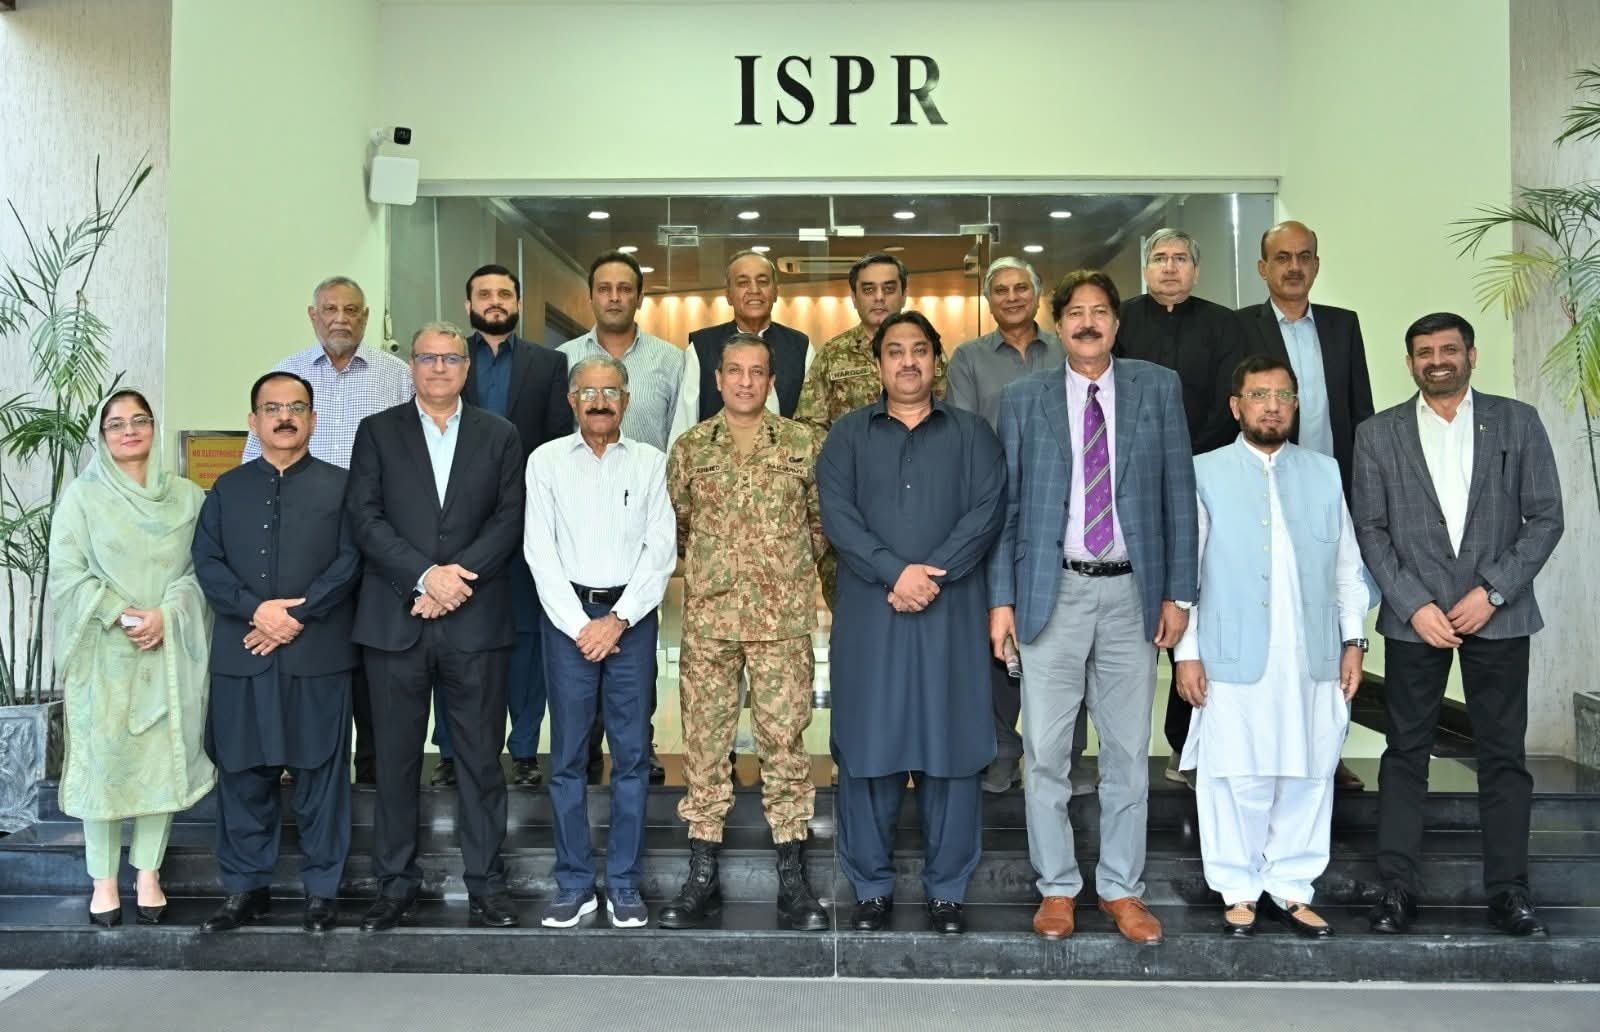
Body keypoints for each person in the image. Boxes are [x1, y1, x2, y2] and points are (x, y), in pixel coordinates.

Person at [988, 270, 1197, 944]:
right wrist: (1001, 601)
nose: (1087, 322)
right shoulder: (1024, 399)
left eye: (1099, 311)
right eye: (1075, 312)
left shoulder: (1157, 388)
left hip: (1132, 594)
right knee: (1046, 752)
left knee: (1128, 753)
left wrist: (1179, 593)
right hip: (1052, 591)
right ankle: (1056, 887)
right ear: (1059, 325)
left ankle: (1121, 888)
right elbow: (1007, 508)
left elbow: (1178, 494)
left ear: (1116, 321)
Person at [1354, 312, 1563, 937]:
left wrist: (1493, 592)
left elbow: (1545, 517)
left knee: (1502, 756)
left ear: (1472, 355)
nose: (1437, 361)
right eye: (1424, 352)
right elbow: (1370, 529)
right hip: (1414, 619)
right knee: (1404, 753)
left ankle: (1510, 893)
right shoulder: (1377, 433)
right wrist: (1413, 603)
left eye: (1448, 349)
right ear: (1410, 362)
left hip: (1498, 615)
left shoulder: (1518, 421)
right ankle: (1396, 890)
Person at [818, 310, 1006, 936]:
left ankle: (947, 890)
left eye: (919, 350)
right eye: (895, 350)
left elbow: (986, 513)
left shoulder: (973, 433)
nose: (907, 361)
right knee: (868, 745)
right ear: (877, 364)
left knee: (951, 746)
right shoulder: (846, 435)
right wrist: (896, 573)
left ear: (936, 361)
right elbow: (839, 518)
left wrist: (930, 576)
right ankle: (870, 888)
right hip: (871, 614)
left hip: (951, 613)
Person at [1175, 355, 1371, 939]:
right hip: (1231, 652)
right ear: (1236, 406)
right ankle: (1237, 886)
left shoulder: (1324, 472)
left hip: (1313, 653)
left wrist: (1354, 641)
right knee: (1237, 775)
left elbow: (1348, 568)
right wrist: (1187, 652)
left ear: (1296, 405)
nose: (1272, 406)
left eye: (1283, 396)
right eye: (1259, 395)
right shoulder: (1203, 471)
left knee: (1309, 773)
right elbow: (1187, 574)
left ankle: (1292, 886)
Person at [346, 321, 526, 932]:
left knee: (480, 761)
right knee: (394, 762)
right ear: (413, 366)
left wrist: (453, 582)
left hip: (476, 623)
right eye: (428, 358)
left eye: (451, 358)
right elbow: (365, 518)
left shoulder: (500, 434)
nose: (440, 368)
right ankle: (395, 883)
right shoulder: (378, 432)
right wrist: (424, 577)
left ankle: (486, 884)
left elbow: (509, 520)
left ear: (467, 368)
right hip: (395, 621)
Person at [660, 332, 829, 932]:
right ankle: (700, 875)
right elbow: (678, 528)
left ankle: (793, 879)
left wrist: (782, 574)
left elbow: (820, 525)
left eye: (757, 372)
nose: (745, 382)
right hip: (711, 622)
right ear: (717, 378)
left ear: (772, 380)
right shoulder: (689, 448)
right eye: (734, 371)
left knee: (784, 745)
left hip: (781, 623)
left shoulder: (804, 444)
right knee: (705, 745)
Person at [192, 372, 362, 933]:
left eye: (296, 407)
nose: (285, 417)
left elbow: (351, 561)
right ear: (253, 420)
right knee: (243, 775)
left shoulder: (343, 487)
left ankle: (322, 893)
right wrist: (257, 610)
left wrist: (296, 615)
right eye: (272, 408)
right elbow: (207, 562)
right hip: (243, 654)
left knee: (321, 778)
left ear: (312, 419)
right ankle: (245, 890)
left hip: (318, 656)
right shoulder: (226, 489)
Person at [48, 389, 214, 927]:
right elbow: (66, 573)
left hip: (167, 650)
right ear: (102, 436)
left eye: (139, 419)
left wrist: (167, 614)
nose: (129, 430)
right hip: (103, 653)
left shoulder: (187, 498)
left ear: (153, 427)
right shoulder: (82, 498)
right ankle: (103, 881)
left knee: (160, 761)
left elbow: (202, 571)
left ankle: (148, 874)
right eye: (116, 423)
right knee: (104, 765)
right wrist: (120, 613)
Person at [242, 275, 413, 785]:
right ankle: (306, 771)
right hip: (307, 556)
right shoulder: (287, 376)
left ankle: (373, 781)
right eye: (330, 309)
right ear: (313, 315)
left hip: (378, 549)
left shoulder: (398, 377)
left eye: (352, 310)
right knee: (307, 666)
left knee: (373, 674)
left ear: (366, 316)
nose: (341, 319)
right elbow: (255, 468)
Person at [524, 356, 676, 930]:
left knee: (632, 757)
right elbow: (539, 552)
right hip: (567, 619)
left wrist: (617, 619)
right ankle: (574, 883)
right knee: (567, 758)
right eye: (588, 392)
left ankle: (625, 884)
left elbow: (660, 551)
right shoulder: (545, 462)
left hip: (630, 620)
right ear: (571, 401)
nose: (599, 401)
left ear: (627, 400)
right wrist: (580, 626)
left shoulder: (651, 463)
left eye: (611, 391)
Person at [1114, 229, 1251, 787]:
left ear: (1196, 268)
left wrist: (1187, 461)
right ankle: (1124, 750)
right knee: (1136, 614)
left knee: (1195, 608)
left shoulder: (1226, 325)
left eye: (1179, 259)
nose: (1169, 267)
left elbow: (1230, 401)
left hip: (1204, 478)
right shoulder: (1122, 320)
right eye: (1159, 258)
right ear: (1145, 268)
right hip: (1129, 485)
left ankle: (1186, 745)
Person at [428, 264, 570, 790]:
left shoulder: (548, 364)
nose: (494, 301)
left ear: (518, 302)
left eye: (504, 293)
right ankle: (451, 750)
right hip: (455, 526)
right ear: (468, 304)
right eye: (484, 294)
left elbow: (557, 442)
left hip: (527, 524)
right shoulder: (445, 360)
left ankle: (526, 748)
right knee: (454, 640)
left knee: (527, 642)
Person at [945, 256, 1070, 797]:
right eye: (1001, 290)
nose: (1012, 297)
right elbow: (963, 436)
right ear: (989, 300)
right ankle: (1000, 749)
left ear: (1037, 295)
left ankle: (1065, 756)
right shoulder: (969, 359)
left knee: (1063, 635)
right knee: (995, 633)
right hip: (995, 509)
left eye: (1022, 288)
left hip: (1066, 513)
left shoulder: (1066, 350)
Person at [559, 250, 683, 782]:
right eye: (604, 288)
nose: (614, 297)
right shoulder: (563, 357)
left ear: (639, 296)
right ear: (591, 295)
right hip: (580, 524)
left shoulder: (671, 360)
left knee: (637, 653)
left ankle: (640, 744)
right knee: (577, 653)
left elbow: (679, 436)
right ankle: (583, 750)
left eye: (624, 288)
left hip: (642, 516)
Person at [797, 252, 947, 606]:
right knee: (855, 612)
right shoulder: (832, 355)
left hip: (919, 504)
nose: (879, 297)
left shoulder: (929, 354)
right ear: (854, 297)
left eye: (888, 288)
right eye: (868, 289)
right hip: (852, 506)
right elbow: (809, 429)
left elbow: (946, 422)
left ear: (904, 293)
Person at [671, 249, 814, 437]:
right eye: (743, 283)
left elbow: (813, 423)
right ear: (728, 295)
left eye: (762, 282)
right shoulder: (701, 347)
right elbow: (684, 426)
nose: (754, 290)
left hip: (786, 454)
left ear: (776, 292)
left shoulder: (800, 347)